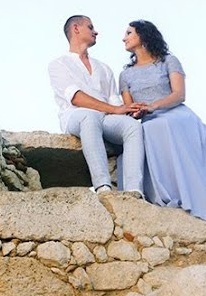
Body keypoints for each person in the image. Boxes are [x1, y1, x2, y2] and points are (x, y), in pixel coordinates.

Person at [119, 20, 206, 229]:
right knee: (147, 129)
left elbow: (179, 94)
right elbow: (129, 107)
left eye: (129, 33)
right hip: (147, 119)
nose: (124, 38)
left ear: (143, 35)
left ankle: (187, 192)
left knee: (162, 126)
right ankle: (163, 193)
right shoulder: (125, 74)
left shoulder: (168, 61)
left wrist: (154, 106)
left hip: (175, 113)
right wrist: (138, 111)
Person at [47, 15, 144, 194]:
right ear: (76, 29)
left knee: (132, 126)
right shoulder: (58, 64)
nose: (96, 32)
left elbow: (115, 102)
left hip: (106, 118)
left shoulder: (104, 68)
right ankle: (103, 187)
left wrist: (130, 112)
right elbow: (76, 98)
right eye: (90, 27)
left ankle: (134, 190)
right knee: (89, 116)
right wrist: (115, 109)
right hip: (75, 115)